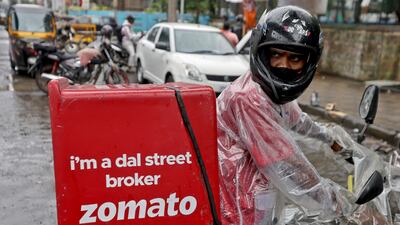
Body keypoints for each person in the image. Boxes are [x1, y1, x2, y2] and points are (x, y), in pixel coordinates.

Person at [217, 5, 388, 225]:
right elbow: (290, 169)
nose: (283, 65)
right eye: (276, 54)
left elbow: (302, 123)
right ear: (262, 52)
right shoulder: (248, 98)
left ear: (307, 63)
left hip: (260, 199)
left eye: (295, 59)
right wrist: (349, 209)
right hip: (238, 209)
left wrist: (341, 146)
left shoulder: (270, 94)